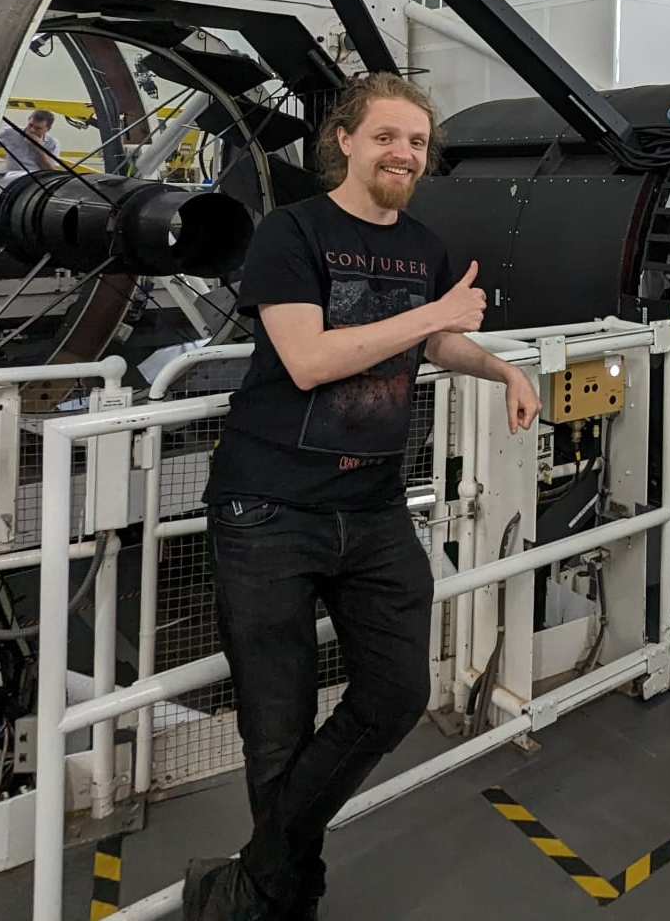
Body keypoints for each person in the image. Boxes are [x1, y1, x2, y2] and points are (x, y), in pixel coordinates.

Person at [184, 72, 542, 921]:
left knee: (393, 695)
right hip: (268, 508)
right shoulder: (291, 231)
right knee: (275, 729)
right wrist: (432, 319)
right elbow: (307, 360)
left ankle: (250, 879)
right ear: (343, 139)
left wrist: (497, 365)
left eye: (417, 143)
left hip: (375, 509)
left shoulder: (422, 245)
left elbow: (437, 341)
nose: (404, 155)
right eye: (387, 137)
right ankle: (286, 899)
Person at [0, 109, 60, 178]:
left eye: (38, 128)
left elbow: (51, 172)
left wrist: (39, 148)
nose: (32, 130)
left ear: (48, 128)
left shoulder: (52, 144)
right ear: (29, 119)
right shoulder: (11, 132)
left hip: (32, 181)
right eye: (30, 125)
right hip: (8, 177)